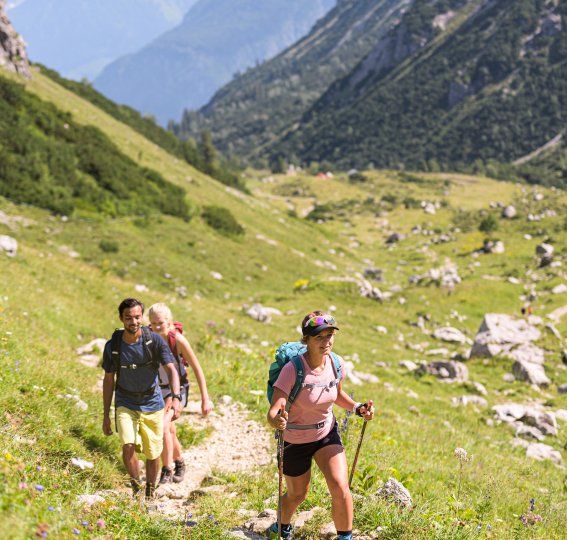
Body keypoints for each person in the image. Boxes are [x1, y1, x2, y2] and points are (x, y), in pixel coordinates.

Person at [266, 311, 374, 540]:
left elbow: (337, 394)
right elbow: (274, 410)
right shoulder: (292, 370)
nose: (326, 342)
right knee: (297, 495)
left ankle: (345, 537)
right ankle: (281, 525)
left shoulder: (336, 363)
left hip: (326, 433)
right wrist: (277, 419)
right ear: (306, 340)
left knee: (340, 486)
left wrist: (357, 408)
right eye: (319, 337)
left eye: (329, 336)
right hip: (294, 440)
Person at [102, 298, 182, 499]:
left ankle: (150, 491)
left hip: (152, 403)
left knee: (153, 452)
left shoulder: (154, 341)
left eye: (137, 317)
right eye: (128, 318)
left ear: (142, 317)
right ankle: (136, 487)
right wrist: (106, 414)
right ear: (121, 319)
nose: (133, 322)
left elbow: (172, 369)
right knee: (127, 445)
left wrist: (176, 396)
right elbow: (108, 380)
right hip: (125, 402)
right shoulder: (113, 346)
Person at [148, 303, 213, 485]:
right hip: (157, 390)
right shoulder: (147, 338)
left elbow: (197, 368)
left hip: (178, 390)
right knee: (169, 429)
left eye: (160, 322)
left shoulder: (177, 340)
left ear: (169, 322)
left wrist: (205, 399)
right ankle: (180, 462)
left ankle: (166, 469)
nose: (157, 326)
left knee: (162, 426)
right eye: (153, 323)